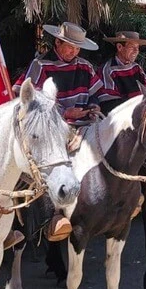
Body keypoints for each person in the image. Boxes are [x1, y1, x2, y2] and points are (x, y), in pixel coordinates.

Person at [14, 20, 101, 240]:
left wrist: (94, 106)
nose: (74, 51)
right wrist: (64, 114)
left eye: (78, 47)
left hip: (85, 124)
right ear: (58, 42)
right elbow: (28, 99)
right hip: (53, 127)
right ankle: (53, 215)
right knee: (53, 157)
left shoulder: (86, 66)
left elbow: (96, 93)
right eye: (70, 46)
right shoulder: (40, 65)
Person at [95, 30, 146, 113]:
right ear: (119, 47)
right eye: (132, 47)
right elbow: (109, 104)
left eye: (137, 48)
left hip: (143, 112)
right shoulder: (107, 70)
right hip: (123, 117)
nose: (136, 51)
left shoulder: (136, 67)